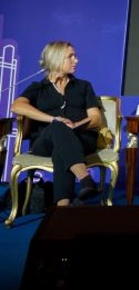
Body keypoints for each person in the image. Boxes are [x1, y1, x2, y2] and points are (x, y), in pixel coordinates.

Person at [10, 41, 102, 206]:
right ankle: (85, 179)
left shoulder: (83, 86)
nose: (76, 60)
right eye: (70, 56)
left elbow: (96, 118)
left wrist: (76, 125)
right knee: (58, 126)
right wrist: (53, 119)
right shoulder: (38, 87)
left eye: (75, 56)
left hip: (81, 139)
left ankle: (62, 207)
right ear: (56, 59)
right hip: (44, 142)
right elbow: (17, 106)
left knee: (62, 150)